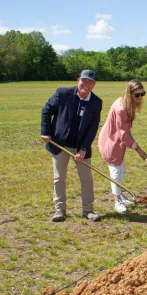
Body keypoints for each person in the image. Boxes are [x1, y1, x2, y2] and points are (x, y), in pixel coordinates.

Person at [41, 70, 102, 222]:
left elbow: (92, 128)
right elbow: (46, 111)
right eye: (83, 81)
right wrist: (46, 132)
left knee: (86, 179)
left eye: (90, 82)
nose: (86, 85)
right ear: (77, 80)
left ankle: (88, 210)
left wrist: (83, 149)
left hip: (81, 146)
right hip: (59, 144)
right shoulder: (63, 93)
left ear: (94, 85)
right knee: (59, 178)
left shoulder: (96, 102)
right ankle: (59, 211)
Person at [98, 79, 147, 214]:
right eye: (137, 95)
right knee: (115, 170)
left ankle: (120, 194)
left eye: (142, 94)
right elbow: (123, 134)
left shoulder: (128, 103)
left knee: (121, 168)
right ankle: (117, 200)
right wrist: (138, 149)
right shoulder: (120, 108)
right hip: (111, 141)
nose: (140, 98)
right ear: (129, 94)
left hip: (118, 141)